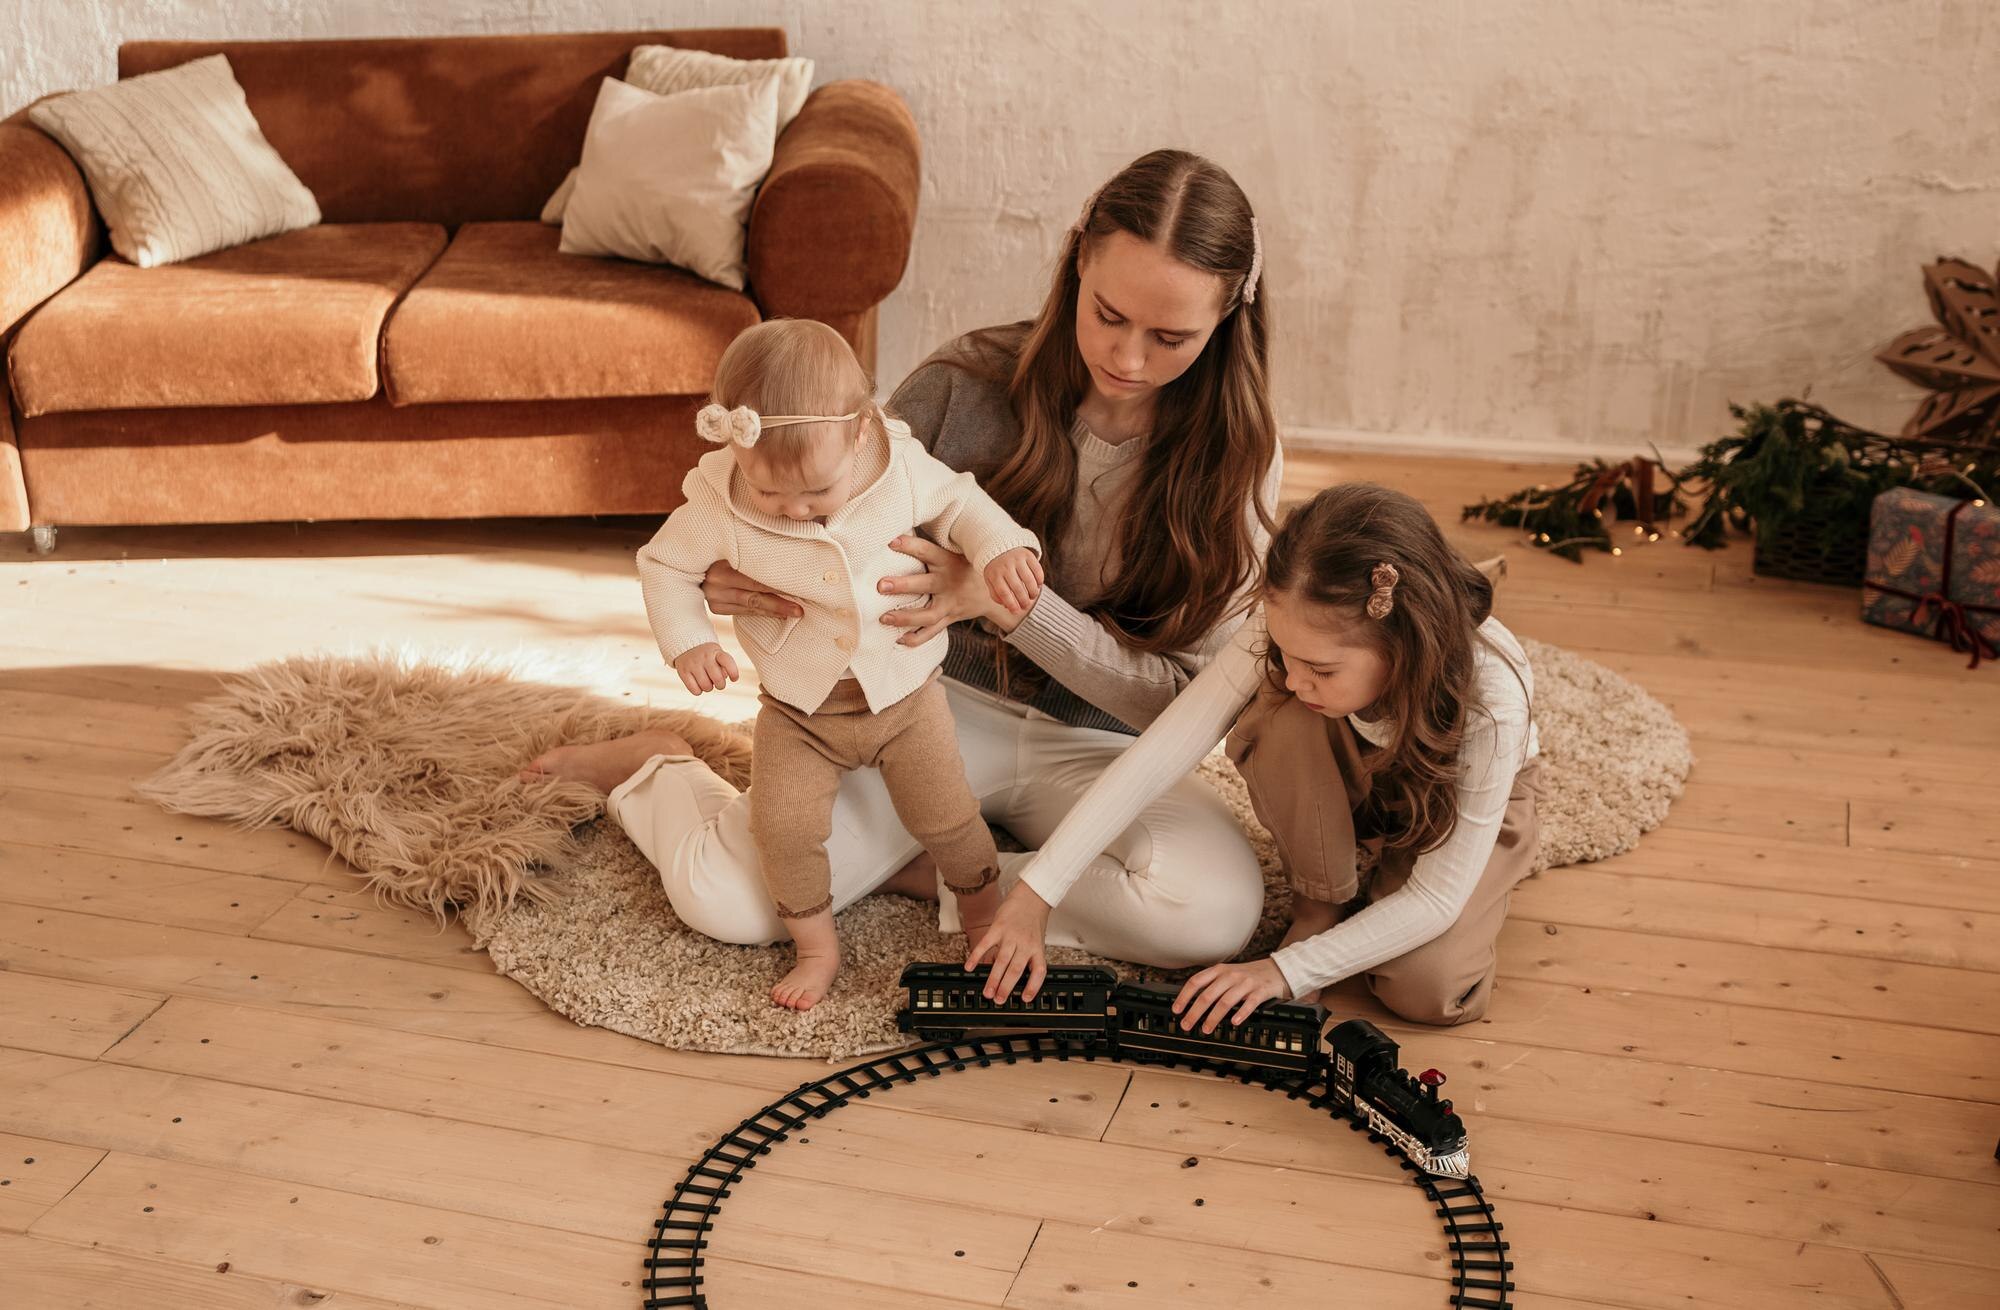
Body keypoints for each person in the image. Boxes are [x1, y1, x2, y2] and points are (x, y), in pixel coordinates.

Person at [524, 148, 1281, 976]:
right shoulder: (965, 383)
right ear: (1075, 266)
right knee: (730, 900)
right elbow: (805, 504)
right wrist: (725, 572)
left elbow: (1187, 702)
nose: (1129, 358)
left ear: (1227, 322)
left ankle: (933, 875)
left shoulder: (1241, 459)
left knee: (1211, 911)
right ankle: (657, 767)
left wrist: (1009, 605)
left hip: (1099, 746)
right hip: (919, 704)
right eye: (1107, 315)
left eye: (1171, 337)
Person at [969, 483, 1542, 1029]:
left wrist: (1282, 972)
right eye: (1288, 655)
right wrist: (1038, 891)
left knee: (1425, 988)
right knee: (1282, 712)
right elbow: (1163, 751)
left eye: (1321, 668)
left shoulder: (1493, 702)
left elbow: (1436, 899)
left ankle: (1454, 873)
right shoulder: (1294, 636)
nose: (1294, 678)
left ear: (1404, 644)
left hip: (1441, 791)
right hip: (1354, 766)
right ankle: (1320, 903)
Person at [633, 318, 1042, 1009]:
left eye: (817, 494)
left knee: (947, 817)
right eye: (772, 496)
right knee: (783, 830)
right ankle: (817, 948)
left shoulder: (900, 468)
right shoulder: (721, 495)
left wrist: (1000, 548)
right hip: (799, 711)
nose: (795, 510)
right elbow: (663, 565)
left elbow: (963, 502)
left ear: (859, 432)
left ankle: (980, 919)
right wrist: (689, 639)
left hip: (904, 696)